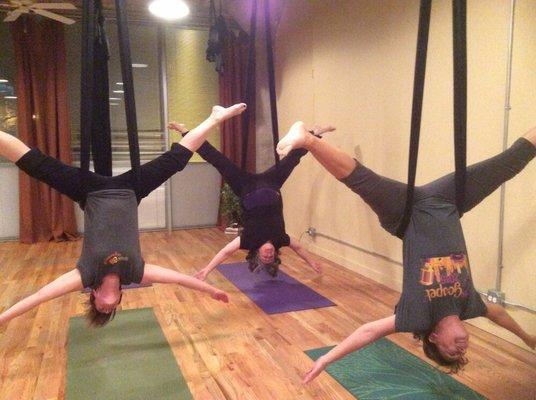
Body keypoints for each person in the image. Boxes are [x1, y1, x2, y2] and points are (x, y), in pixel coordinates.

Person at [275, 122, 536, 380]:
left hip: (405, 214)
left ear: (434, 338)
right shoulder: (469, 306)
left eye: (451, 352)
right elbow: (499, 314)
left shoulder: (417, 317)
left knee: (361, 179)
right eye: (461, 353)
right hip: (447, 203)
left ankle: (307, 139)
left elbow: (369, 332)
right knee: (510, 162)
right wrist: (528, 339)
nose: (461, 348)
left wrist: (327, 357)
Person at [0, 104, 247, 327]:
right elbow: (179, 279)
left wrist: (4, 318)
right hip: (131, 191)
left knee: (35, 164)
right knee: (176, 159)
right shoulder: (135, 273)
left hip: (90, 192)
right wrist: (210, 291)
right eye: (112, 309)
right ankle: (215, 117)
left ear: (93, 295)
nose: (108, 307)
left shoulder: (86, 275)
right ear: (120, 297)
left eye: (101, 309)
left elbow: (40, 296)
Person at [168, 123, 334, 280]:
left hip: (245, 187)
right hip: (272, 183)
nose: (268, 255)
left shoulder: (249, 240)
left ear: (257, 253)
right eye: (271, 257)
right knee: (292, 159)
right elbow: (298, 248)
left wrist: (207, 270)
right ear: (275, 253)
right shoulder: (280, 239)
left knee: (217, 159)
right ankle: (316, 133)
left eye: (265, 257)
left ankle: (185, 132)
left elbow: (225, 252)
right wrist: (312, 263)